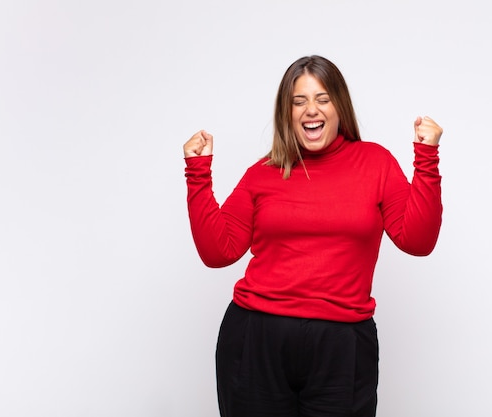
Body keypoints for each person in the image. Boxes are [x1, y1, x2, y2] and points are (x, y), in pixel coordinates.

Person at [183, 55, 443, 417]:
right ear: (286, 112)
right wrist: (198, 174)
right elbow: (219, 251)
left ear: (339, 106)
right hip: (256, 337)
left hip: (342, 344)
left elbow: (417, 241)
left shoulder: (376, 163)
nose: (311, 110)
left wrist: (426, 158)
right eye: (299, 101)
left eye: (322, 99)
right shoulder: (263, 172)